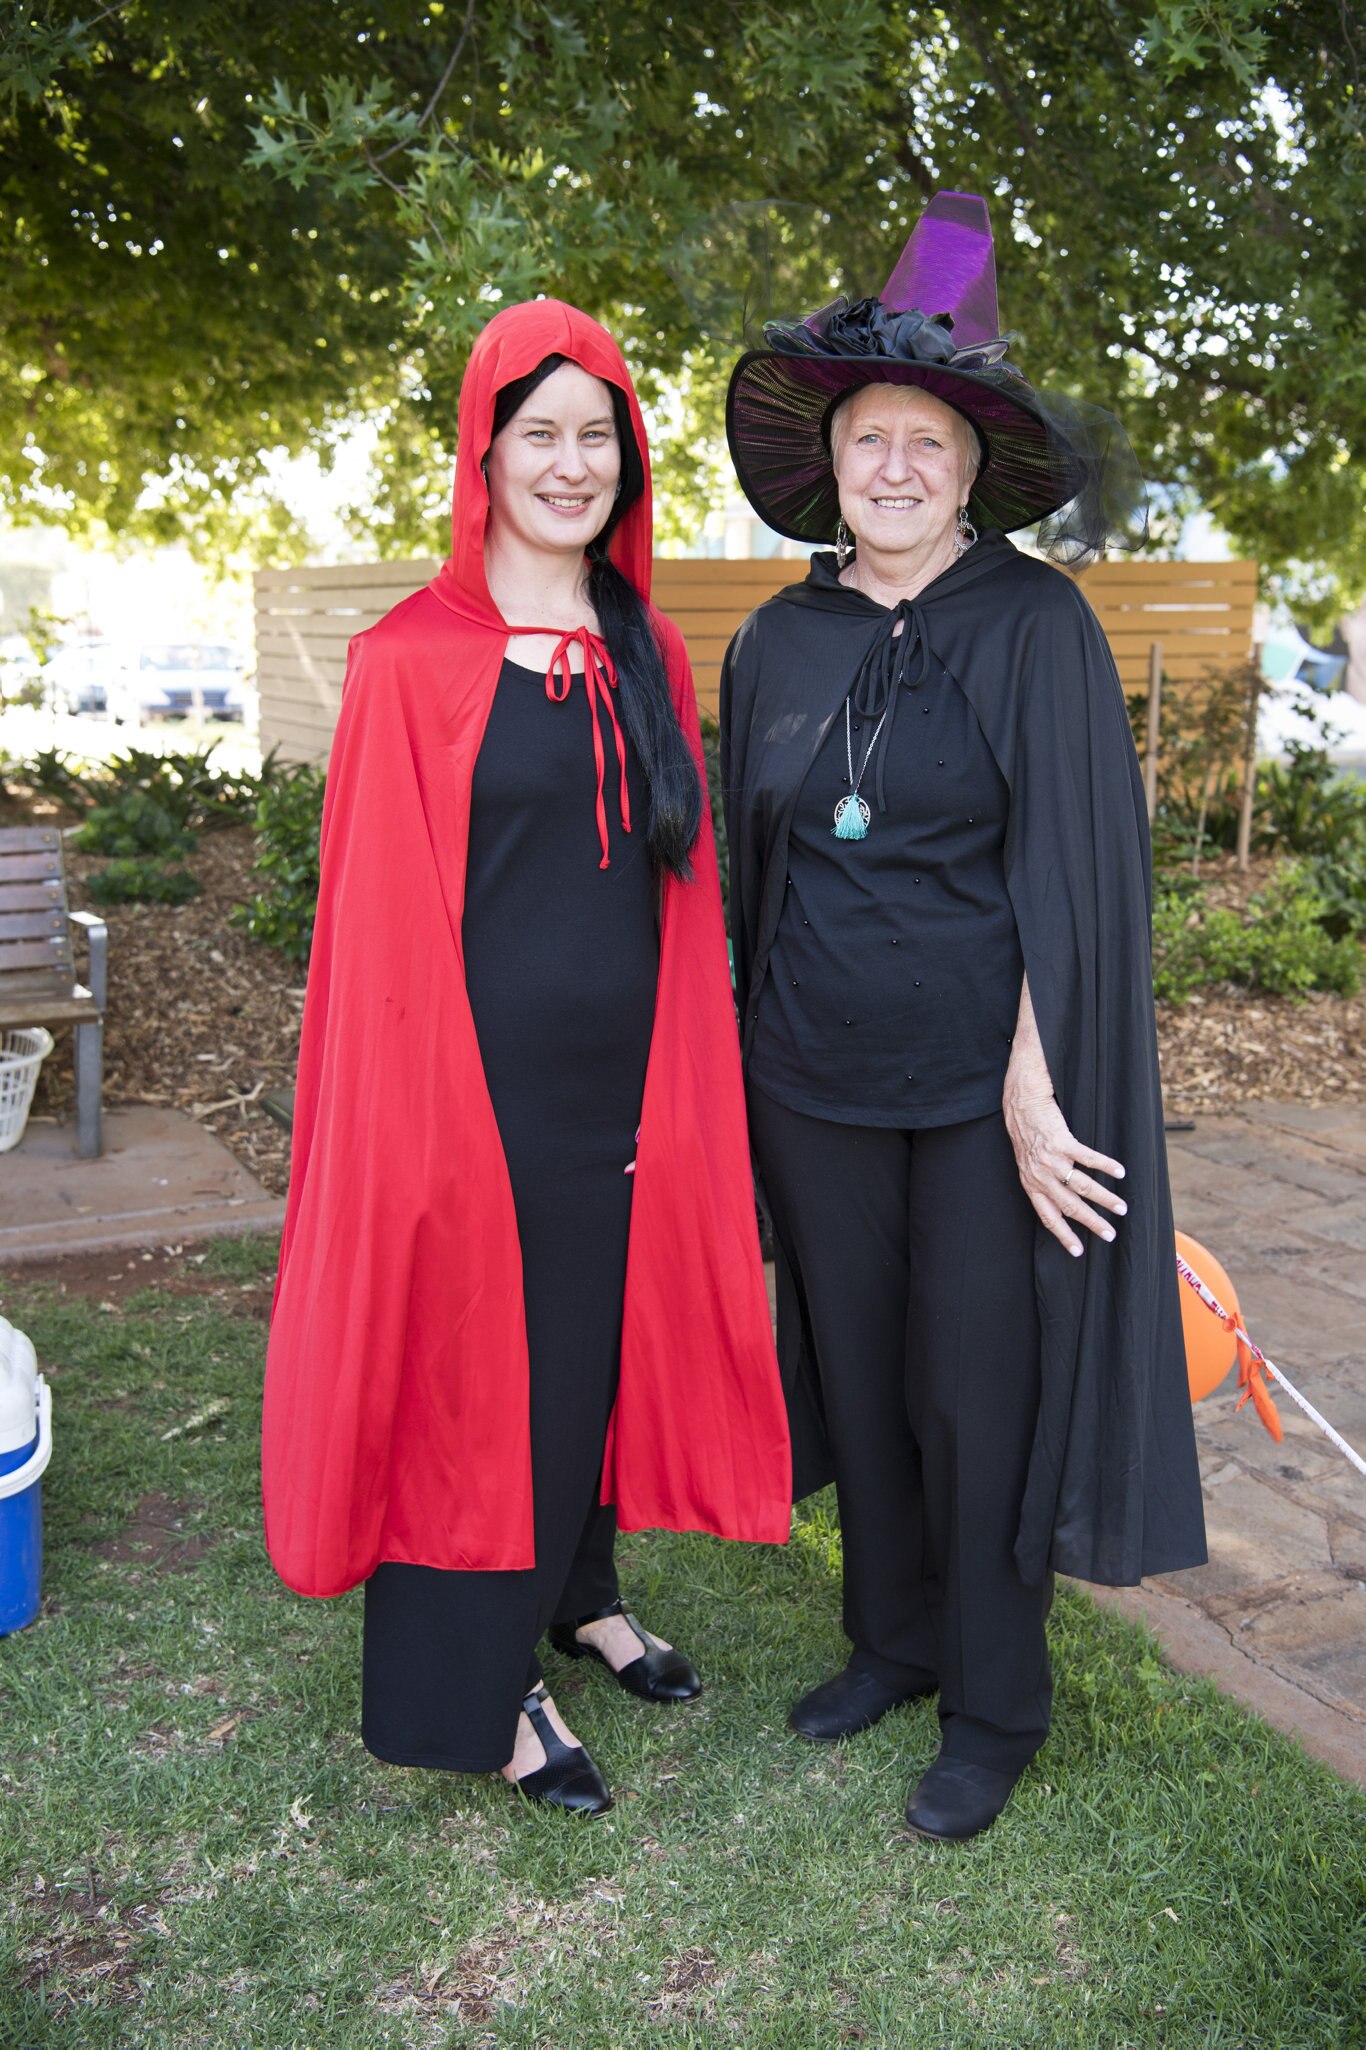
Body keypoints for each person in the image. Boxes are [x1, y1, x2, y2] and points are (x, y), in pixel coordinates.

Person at [720, 191, 1206, 1843]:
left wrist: (1028, 1079)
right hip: (808, 1076)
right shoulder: (775, 643)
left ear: (967, 465)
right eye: (873, 437)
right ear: (834, 459)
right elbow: (751, 870)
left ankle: (994, 1703)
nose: (898, 466)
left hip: (977, 1093)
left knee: (972, 1394)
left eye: (928, 439)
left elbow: (1067, 890)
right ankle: (890, 1642)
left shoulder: (1037, 629)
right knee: (860, 1379)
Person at [263, 299, 791, 1817]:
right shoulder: (406, 661)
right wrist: (420, 1129)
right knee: (479, 1383)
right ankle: (479, 1693)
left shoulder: (640, 640)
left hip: (624, 1091)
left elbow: (667, 892)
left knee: (590, 1353)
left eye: (598, 435)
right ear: (483, 454)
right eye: (540, 434)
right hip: (472, 1103)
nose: (572, 463)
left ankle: (585, 1591)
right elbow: (371, 938)